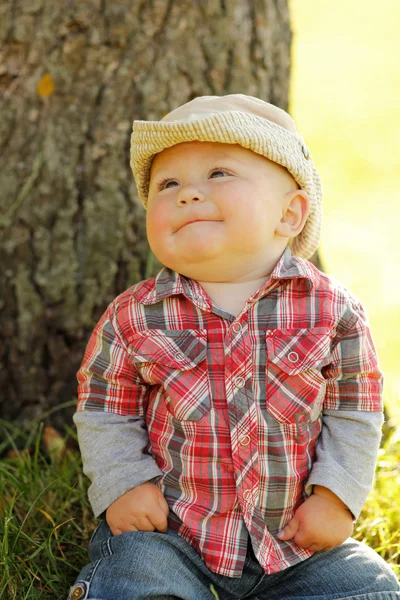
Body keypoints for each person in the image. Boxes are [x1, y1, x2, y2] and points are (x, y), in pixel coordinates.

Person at [68, 95, 400, 600]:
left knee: (365, 586)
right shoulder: (134, 315)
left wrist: (337, 495)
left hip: (296, 542)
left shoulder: (332, 311)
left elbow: (355, 408)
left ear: (290, 214)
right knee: (132, 572)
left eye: (219, 173)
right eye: (168, 184)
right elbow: (104, 408)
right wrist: (123, 483)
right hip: (173, 535)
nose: (188, 195)